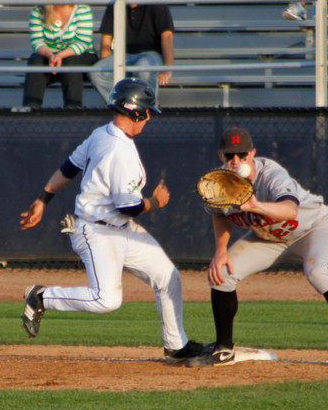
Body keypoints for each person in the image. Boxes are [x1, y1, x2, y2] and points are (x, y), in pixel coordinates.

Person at [18, 78, 203, 361]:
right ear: (137, 112)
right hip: (97, 232)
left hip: (121, 229)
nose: (149, 117)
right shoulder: (120, 150)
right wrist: (156, 202)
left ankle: (176, 346)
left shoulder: (102, 133)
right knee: (107, 300)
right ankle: (42, 296)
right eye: (148, 111)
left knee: (168, 276)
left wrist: (43, 199)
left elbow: (68, 168)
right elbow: (128, 206)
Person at [200, 126, 328, 368]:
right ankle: (224, 348)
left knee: (318, 273)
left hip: (313, 227)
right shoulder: (217, 183)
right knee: (221, 274)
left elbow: (290, 211)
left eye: (242, 154)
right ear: (220, 156)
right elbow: (220, 214)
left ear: (252, 153)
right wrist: (221, 250)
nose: (236, 161)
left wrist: (255, 205)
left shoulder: (270, 175)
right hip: (270, 238)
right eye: (229, 156)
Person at [88, 0, 174, 104]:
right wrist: (108, 65)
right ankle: (120, 106)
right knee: (96, 73)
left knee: (143, 67)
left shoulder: (156, 3)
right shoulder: (115, 3)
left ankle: (146, 109)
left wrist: (167, 69)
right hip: (122, 55)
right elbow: (106, 38)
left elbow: (167, 37)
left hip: (150, 54)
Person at [16, 0, 98, 111]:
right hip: (51, 56)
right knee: (36, 61)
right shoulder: (38, 12)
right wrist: (50, 55)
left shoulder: (83, 10)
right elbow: (37, 42)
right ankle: (30, 109)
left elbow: (82, 43)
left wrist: (60, 55)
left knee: (70, 62)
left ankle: (73, 109)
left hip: (81, 55)